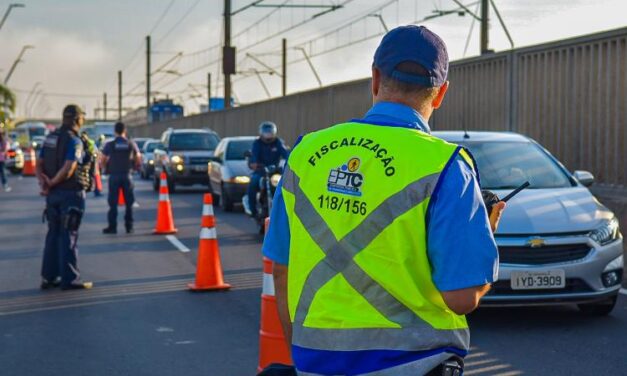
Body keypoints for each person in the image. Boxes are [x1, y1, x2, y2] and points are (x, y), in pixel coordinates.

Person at [261, 26, 506, 375]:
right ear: (440, 95)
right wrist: (486, 237)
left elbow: (281, 270)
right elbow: (462, 297)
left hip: (316, 362)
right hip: (414, 365)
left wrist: (303, 358)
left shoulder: (305, 152)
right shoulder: (447, 166)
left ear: (375, 78)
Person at [36, 104, 93, 290]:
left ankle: (49, 277)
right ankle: (70, 279)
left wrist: (44, 182)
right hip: (70, 193)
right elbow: (69, 168)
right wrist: (52, 182)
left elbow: (39, 163)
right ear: (77, 119)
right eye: (82, 118)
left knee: (53, 233)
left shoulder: (50, 138)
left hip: (52, 196)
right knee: (69, 234)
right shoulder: (74, 141)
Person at [101, 122, 140, 234]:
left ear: (115, 131)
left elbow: (103, 159)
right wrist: (135, 166)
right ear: (124, 130)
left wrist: (105, 168)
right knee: (129, 202)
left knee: (113, 203)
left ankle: (112, 227)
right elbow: (138, 157)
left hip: (114, 176)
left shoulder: (110, 144)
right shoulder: (130, 144)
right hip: (127, 175)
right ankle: (129, 227)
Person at [247, 121, 289, 218]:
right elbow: (254, 155)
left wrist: (292, 159)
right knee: (253, 183)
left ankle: (286, 212)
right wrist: (253, 163)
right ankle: (252, 210)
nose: (268, 134)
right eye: (266, 132)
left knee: (287, 185)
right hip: (260, 171)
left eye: (270, 131)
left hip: (274, 172)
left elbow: (286, 153)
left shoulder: (278, 142)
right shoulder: (257, 143)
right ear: (261, 132)